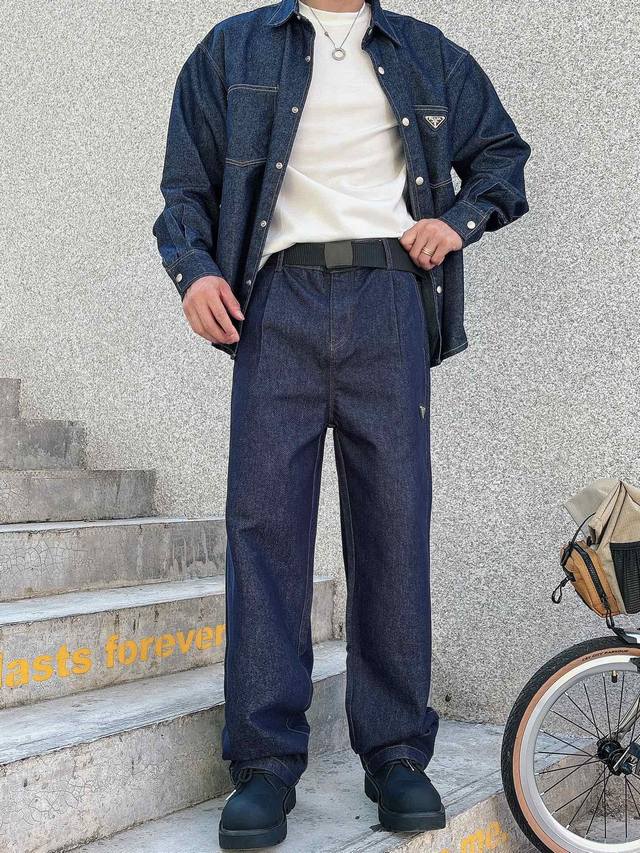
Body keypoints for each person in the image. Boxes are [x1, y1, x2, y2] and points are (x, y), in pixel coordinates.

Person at [153, 0, 530, 847]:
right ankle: (264, 764)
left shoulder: (426, 53)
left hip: (389, 300)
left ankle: (395, 753)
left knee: (394, 523)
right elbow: (185, 187)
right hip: (276, 301)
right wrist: (194, 271)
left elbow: (503, 156)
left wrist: (455, 223)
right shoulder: (232, 50)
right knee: (264, 528)